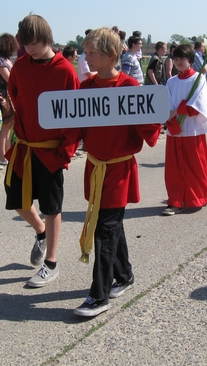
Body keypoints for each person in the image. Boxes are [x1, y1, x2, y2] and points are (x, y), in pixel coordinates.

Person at [67, 27, 161, 317]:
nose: (87, 57)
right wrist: (62, 152)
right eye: (85, 52)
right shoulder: (86, 88)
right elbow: (74, 127)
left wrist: (159, 113)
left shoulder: (130, 87)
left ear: (111, 55)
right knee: (112, 224)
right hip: (95, 167)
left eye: (92, 53)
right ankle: (125, 275)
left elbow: (149, 127)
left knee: (105, 228)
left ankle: (99, 294)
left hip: (119, 169)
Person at [4, 14, 80, 287]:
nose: (30, 49)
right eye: (25, 45)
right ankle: (40, 231)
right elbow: (16, 98)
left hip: (51, 151)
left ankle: (51, 262)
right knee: (16, 200)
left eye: (34, 43)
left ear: (47, 39)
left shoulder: (65, 71)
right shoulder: (20, 67)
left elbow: (75, 115)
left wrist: (66, 150)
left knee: (51, 205)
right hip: (24, 147)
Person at [163, 44, 207, 215]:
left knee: (195, 165)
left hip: (192, 129)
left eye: (182, 58)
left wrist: (178, 110)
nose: (178, 62)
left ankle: (199, 196)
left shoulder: (198, 79)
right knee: (174, 167)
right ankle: (175, 200)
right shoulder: (171, 82)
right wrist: (173, 117)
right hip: (175, 129)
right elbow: (167, 107)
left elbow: (196, 107)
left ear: (191, 60)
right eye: (175, 59)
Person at [0, 33, 19, 165]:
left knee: (9, 126)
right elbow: (10, 78)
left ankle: (8, 153)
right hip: (4, 96)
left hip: (11, 95)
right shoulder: (1, 60)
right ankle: (3, 156)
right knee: (4, 127)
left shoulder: (8, 60)